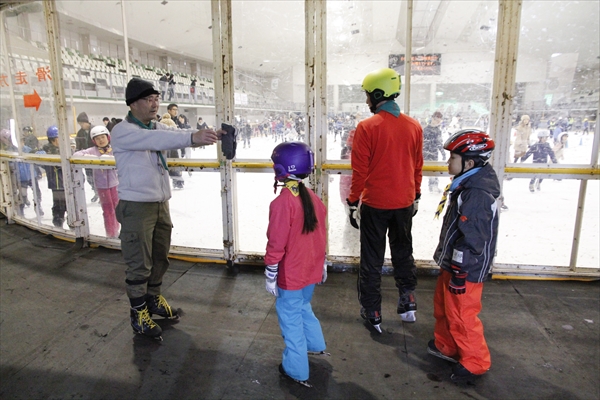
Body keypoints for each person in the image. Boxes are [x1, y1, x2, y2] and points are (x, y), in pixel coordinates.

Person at [111, 77, 224, 341]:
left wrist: (207, 135)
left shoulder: (154, 126)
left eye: (157, 99)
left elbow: (170, 134)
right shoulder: (123, 130)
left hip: (160, 204)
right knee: (139, 261)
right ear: (133, 104)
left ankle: (152, 300)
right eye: (149, 100)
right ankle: (138, 313)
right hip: (136, 206)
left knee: (160, 256)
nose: (155, 104)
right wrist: (191, 136)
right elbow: (159, 138)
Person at [346, 68, 423, 332]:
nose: (367, 101)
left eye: (368, 95)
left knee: (372, 259)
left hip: (375, 205)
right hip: (404, 202)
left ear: (378, 94)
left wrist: (353, 201)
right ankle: (408, 300)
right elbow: (417, 166)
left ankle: (373, 311)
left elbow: (360, 171)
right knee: (403, 252)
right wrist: (417, 195)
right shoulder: (414, 126)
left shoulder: (367, 127)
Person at [428, 129, 499, 383]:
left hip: (466, 267)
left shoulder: (476, 193)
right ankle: (447, 344)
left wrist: (460, 270)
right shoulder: (466, 184)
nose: (448, 163)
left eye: (452, 158)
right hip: (455, 262)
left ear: (468, 163)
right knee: (443, 306)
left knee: (462, 314)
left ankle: (475, 362)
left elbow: (473, 237)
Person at [265, 141, 327, 388]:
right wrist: (321, 264)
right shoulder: (312, 196)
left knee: (290, 319)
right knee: (303, 307)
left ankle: (295, 369)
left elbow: (276, 242)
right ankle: (315, 344)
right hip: (310, 271)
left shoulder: (282, 203)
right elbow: (321, 235)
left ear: (280, 168)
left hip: (290, 276)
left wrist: (271, 271)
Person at [73, 126, 120, 238]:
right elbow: (76, 155)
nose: (101, 140)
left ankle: (117, 230)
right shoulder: (92, 150)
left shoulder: (114, 149)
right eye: (97, 138)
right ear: (94, 141)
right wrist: (90, 157)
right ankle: (111, 233)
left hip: (115, 185)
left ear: (108, 137)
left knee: (117, 208)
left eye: (103, 137)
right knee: (108, 210)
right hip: (102, 186)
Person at [38, 126, 67, 228]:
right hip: (57, 184)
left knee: (68, 205)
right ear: (54, 139)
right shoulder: (47, 150)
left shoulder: (63, 148)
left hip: (65, 183)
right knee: (59, 205)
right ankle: (58, 223)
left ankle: (67, 224)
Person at [75, 112, 99, 203]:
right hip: (86, 159)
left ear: (86, 122)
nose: (81, 125)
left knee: (98, 177)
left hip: (96, 157)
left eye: (82, 123)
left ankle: (100, 193)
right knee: (90, 178)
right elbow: (78, 146)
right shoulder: (80, 133)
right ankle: (96, 192)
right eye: (79, 124)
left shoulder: (95, 130)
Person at [423, 111, 445, 193]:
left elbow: (439, 143)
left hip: (434, 152)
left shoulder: (437, 130)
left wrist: (442, 152)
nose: (438, 123)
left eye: (439, 121)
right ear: (433, 118)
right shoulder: (426, 130)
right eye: (437, 120)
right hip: (426, 152)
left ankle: (433, 186)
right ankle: (432, 186)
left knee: (434, 170)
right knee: (430, 170)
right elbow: (423, 142)